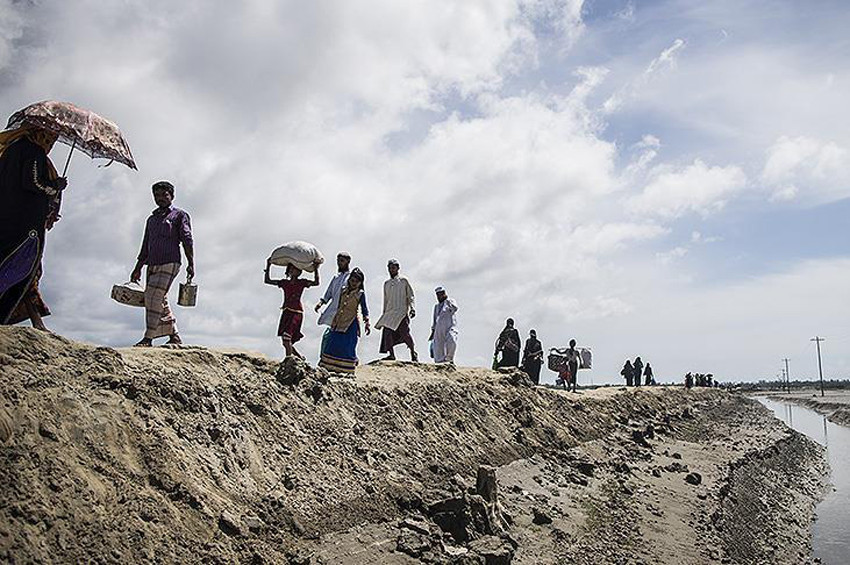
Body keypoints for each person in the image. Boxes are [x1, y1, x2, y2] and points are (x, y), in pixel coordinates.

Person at [0, 126, 68, 325]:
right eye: (49, 138)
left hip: (6, 222)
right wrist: (55, 186)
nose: (50, 144)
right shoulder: (33, 151)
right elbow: (33, 182)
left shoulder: (9, 151)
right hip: (24, 225)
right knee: (24, 265)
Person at [130, 181, 194, 347]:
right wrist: (137, 268)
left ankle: (148, 337)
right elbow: (145, 245)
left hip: (170, 261)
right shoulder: (151, 220)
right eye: (156, 196)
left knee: (152, 296)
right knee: (159, 298)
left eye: (164, 195)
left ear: (171, 196)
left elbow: (187, 239)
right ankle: (174, 335)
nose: (160, 198)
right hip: (152, 263)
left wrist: (191, 263)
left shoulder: (179, 215)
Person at [265, 259, 320, 358]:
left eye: (298, 269)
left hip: (296, 313)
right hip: (286, 312)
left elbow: (316, 283)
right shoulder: (284, 283)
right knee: (285, 340)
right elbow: (267, 280)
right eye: (293, 269)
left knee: (287, 339)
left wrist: (316, 269)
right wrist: (268, 266)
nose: (296, 271)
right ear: (289, 271)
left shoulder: (302, 282)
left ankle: (289, 361)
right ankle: (299, 358)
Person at [318, 267, 370, 374]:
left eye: (356, 281)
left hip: (350, 323)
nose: (353, 283)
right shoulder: (343, 290)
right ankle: (330, 366)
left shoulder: (360, 294)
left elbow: (364, 309)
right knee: (333, 341)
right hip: (339, 320)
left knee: (348, 345)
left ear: (360, 283)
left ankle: (346, 368)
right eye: (352, 280)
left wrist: (367, 322)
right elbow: (338, 304)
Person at [374, 259, 417, 362]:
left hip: (401, 311)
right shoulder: (386, 284)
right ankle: (391, 354)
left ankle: (413, 352)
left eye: (393, 267)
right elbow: (385, 299)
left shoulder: (403, 281)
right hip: (390, 312)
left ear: (398, 268)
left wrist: (412, 308)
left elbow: (410, 296)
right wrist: (384, 314)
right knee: (387, 333)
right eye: (389, 268)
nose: (391, 269)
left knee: (405, 333)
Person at [315, 252, 351, 357]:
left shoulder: (350, 277)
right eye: (338, 261)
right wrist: (321, 303)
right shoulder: (336, 277)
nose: (339, 263)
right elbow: (329, 293)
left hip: (345, 312)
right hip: (333, 310)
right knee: (329, 335)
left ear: (348, 262)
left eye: (342, 261)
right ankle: (325, 357)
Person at [429, 287, 458, 364]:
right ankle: (440, 362)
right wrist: (432, 332)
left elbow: (455, 308)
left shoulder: (450, 301)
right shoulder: (436, 306)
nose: (439, 297)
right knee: (438, 346)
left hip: (450, 327)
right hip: (439, 329)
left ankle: (450, 359)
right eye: (437, 295)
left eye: (441, 294)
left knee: (452, 341)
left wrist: (447, 300)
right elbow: (435, 320)